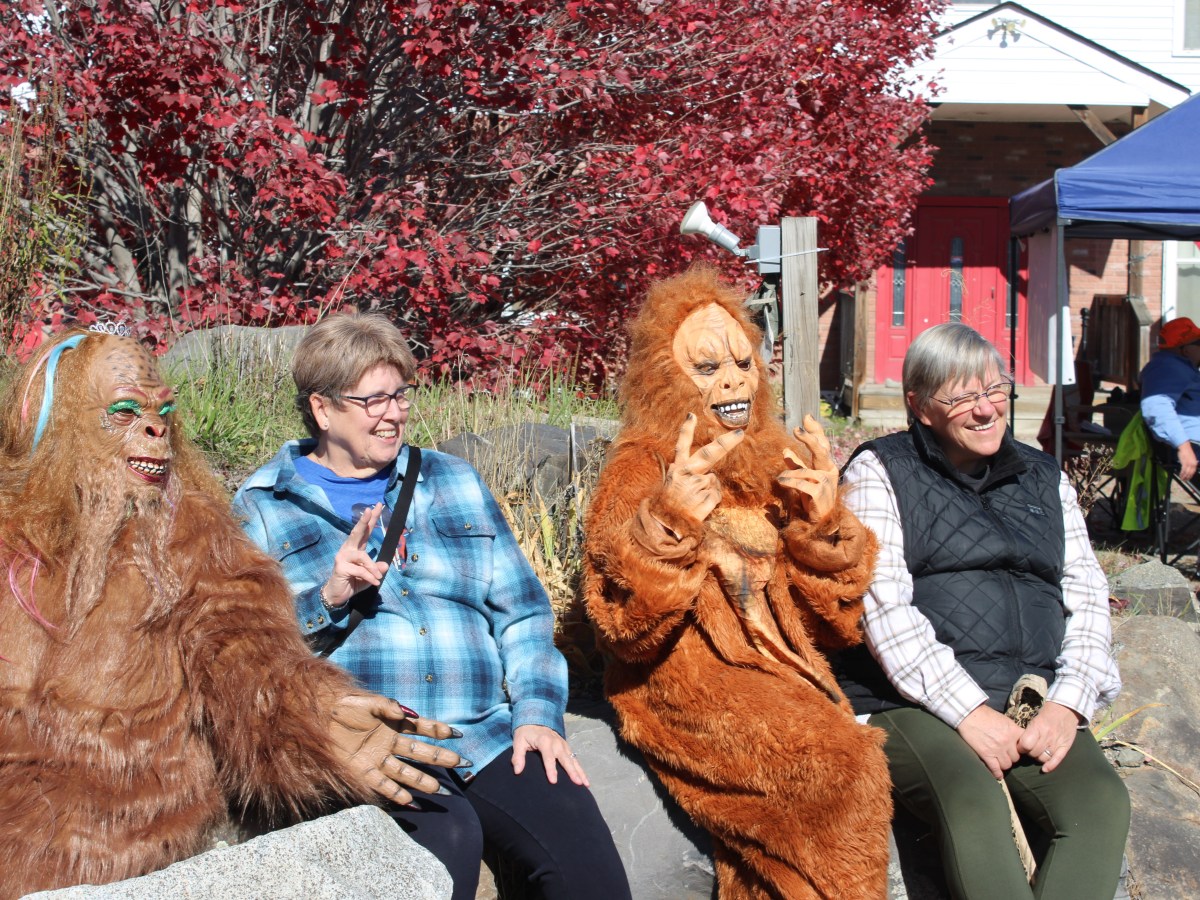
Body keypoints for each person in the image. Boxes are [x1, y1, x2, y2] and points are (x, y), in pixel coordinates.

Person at [0, 329, 462, 899]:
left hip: (138, 835)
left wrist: (317, 718)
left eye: (164, 411)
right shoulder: (12, 537)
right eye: (124, 412)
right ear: (61, 423)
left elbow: (247, 655)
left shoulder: (192, 539)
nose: (156, 429)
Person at [233, 312, 630, 900]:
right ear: (322, 409)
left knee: (586, 867)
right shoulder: (264, 505)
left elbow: (523, 614)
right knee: (448, 848)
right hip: (374, 744)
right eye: (373, 400)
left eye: (400, 395)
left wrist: (538, 715)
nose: (393, 413)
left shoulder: (453, 479)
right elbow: (246, 655)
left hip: (487, 733)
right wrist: (329, 597)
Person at [583, 266, 892, 899]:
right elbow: (621, 627)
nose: (732, 380)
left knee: (779, 846)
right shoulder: (640, 467)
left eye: (742, 362)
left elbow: (835, 623)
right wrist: (668, 521)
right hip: (685, 684)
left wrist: (822, 525)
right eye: (706, 367)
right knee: (849, 764)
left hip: (787, 676)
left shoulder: (772, 460)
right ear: (665, 381)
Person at [836, 322, 1130, 900]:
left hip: (1030, 697)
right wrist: (968, 711)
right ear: (920, 405)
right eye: (963, 396)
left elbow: (1087, 595)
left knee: (1098, 803)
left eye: (995, 390)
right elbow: (883, 607)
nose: (986, 409)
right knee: (971, 800)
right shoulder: (879, 471)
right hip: (910, 701)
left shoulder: (1045, 478)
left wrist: (1068, 703)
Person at [1140, 315, 1200, 479]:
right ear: (1185, 349)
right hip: (1193, 446)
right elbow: (1156, 405)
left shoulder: (1180, 368)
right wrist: (1183, 446)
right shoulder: (1168, 367)